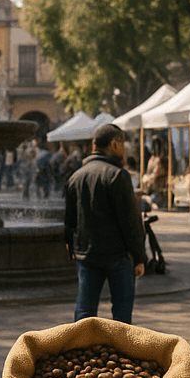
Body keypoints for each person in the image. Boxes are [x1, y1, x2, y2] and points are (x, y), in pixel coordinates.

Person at [64, 124, 146, 324]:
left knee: (84, 311)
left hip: (87, 254)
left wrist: (71, 247)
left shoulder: (76, 176)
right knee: (121, 315)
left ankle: (82, 351)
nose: (125, 150)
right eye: (123, 145)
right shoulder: (117, 176)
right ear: (114, 144)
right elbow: (131, 221)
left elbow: (69, 220)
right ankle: (119, 353)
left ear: (94, 145)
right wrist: (139, 256)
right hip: (117, 255)